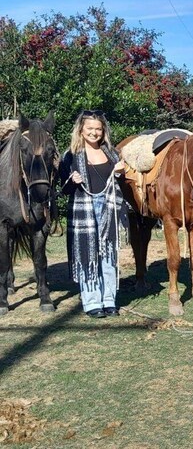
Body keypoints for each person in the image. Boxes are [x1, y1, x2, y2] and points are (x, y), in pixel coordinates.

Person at [59, 110, 127, 319]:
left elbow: (122, 186)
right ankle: (92, 302)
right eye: (90, 128)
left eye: (98, 129)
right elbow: (64, 190)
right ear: (81, 129)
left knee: (108, 254)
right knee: (88, 254)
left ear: (103, 131)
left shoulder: (112, 154)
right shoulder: (70, 156)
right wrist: (72, 181)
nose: (94, 133)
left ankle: (109, 300)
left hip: (109, 209)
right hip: (84, 211)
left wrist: (120, 174)